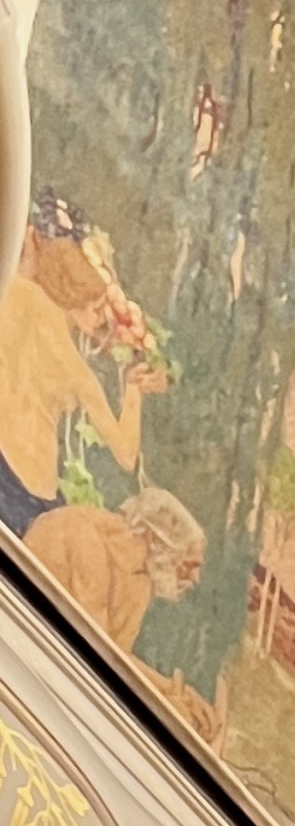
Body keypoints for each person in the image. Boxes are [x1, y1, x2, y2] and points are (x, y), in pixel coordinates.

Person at [0, 201, 165, 534]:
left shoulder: (16, 293)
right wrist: (133, 390)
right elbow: (126, 454)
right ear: (75, 294)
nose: (102, 318)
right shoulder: (77, 371)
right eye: (97, 307)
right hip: (33, 492)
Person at [23, 485, 203, 656]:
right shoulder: (83, 534)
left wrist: (158, 680)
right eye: (190, 565)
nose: (195, 578)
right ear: (155, 539)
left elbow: (118, 658)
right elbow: (95, 646)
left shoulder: (140, 583)